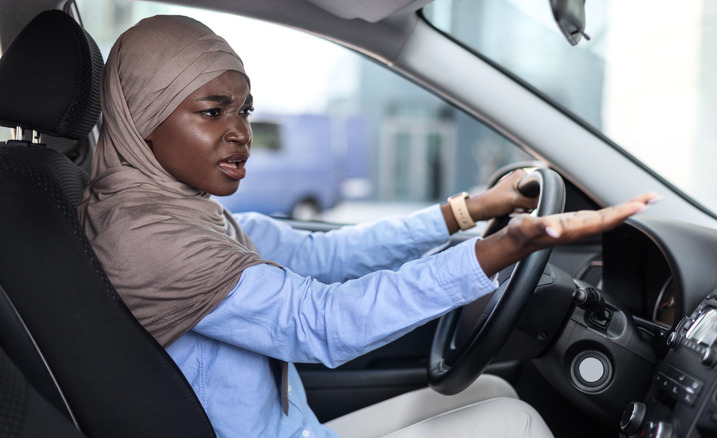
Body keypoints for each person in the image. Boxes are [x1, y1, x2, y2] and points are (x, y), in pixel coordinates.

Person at [78, 14, 659, 438]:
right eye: (213, 111)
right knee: (519, 422)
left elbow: (328, 257)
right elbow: (324, 323)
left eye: (244, 109)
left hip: (294, 430)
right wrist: (502, 248)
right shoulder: (146, 235)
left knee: (493, 390)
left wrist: (471, 212)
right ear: (143, 118)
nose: (241, 132)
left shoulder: (184, 209)